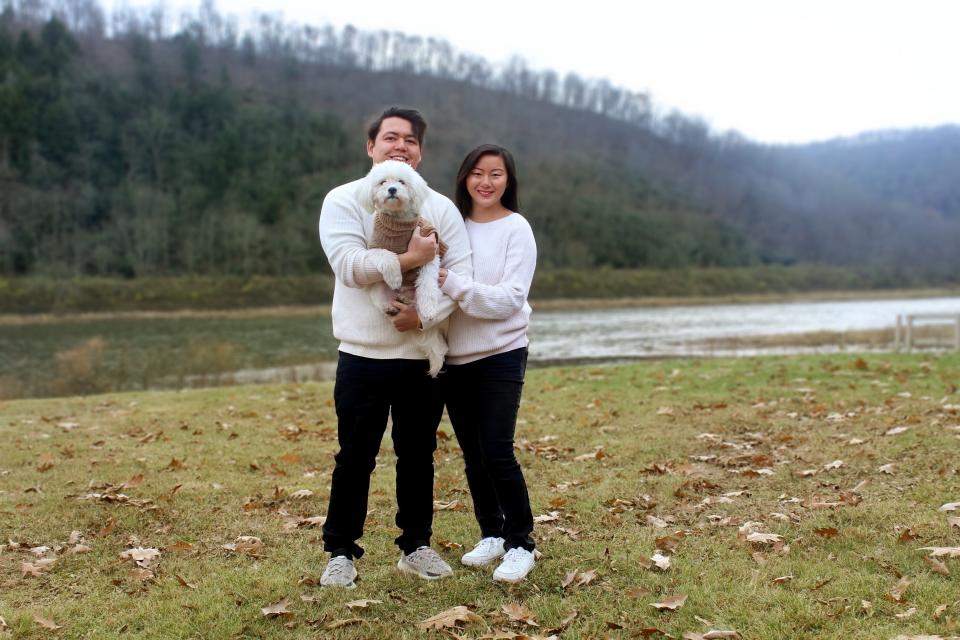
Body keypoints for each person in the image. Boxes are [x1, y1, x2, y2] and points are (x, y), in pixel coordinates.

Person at [317, 107, 472, 588]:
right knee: (354, 456)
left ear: (420, 153)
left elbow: (459, 279)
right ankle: (341, 551)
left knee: (418, 455)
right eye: (390, 138)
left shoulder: (440, 208)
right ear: (372, 147)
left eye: (409, 140)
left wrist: (422, 316)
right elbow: (350, 266)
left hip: (418, 355)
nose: (399, 145)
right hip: (362, 354)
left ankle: (416, 545)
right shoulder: (344, 200)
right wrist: (412, 256)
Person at [438, 144, 538, 583]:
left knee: (497, 449)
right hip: (454, 358)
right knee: (474, 455)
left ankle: (521, 543)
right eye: (477, 173)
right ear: (464, 178)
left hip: (502, 352)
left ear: (508, 181)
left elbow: (510, 300)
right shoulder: (451, 229)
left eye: (496, 174)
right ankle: (492, 534)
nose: (486, 181)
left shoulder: (518, 229)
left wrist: (456, 284)